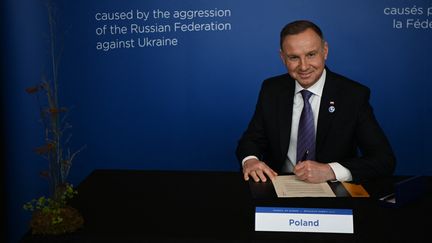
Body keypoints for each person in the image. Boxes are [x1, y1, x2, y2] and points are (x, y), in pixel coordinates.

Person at [236, 20, 396, 184]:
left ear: (325, 51)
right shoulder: (272, 89)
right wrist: (251, 160)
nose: (303, 66)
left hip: (334, 190)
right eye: (294, 58)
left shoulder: (353, 95)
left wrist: (330, 171)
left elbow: (383, 160)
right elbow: (252, 139)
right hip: (279, 186)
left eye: (311, 54)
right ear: (282, 58)